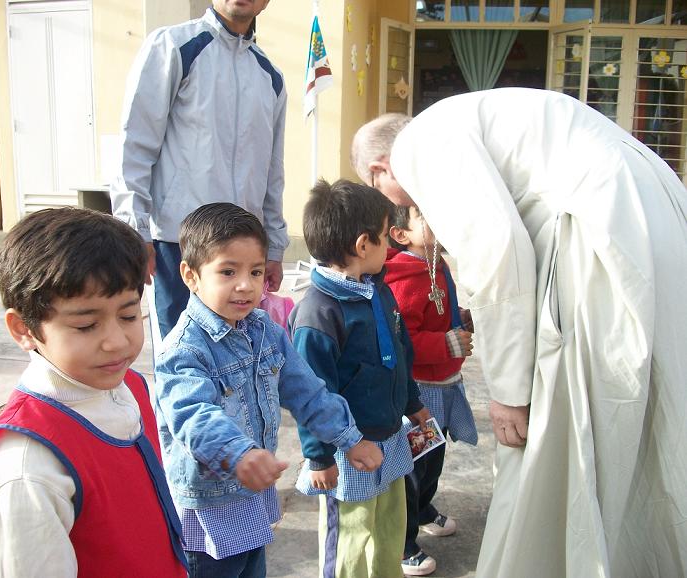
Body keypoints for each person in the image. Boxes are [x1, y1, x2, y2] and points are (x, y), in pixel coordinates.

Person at [351, 87, 687, 577]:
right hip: (653, 207)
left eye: (377, 191)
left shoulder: (417, 145)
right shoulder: (460, 119)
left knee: (568, 421)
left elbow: (498, 249)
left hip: (601, 224)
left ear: (380, 168)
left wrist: (508, 392)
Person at [153, 202, 384, 578]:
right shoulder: (183, 350)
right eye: (228, 271)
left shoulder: (265, 331)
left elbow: (307, 391)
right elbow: (193, 416)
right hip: (210, 505)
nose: (245, 285)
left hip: (252, 490)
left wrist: (350, 438)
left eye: (255, 271)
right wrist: (238, 453)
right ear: (191, 276)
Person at [0, 207, 188, 577]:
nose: (117, 342)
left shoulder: (129, 384)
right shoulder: (26, 468)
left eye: (128, 315)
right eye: (87, 325)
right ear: (24, 328)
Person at [111, 0, 288, 351]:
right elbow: (135, 144)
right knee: (180, 354)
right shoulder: (173, 47)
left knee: (235, 356)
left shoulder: (270, 76)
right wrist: (134, 228)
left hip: (242, 248)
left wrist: (275, 245)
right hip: (178, 243)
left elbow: (272, 168)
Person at [290, 179, 431, 578]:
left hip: (390, 438)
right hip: (346, 451)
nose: (390, 246)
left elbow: (400, 355)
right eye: (386, 237)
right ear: (363, 245)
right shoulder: (319, 314)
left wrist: (412, 403)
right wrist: (319, 457)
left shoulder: (378, 291)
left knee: (389, 529)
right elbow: (310, 394)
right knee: (350, 538)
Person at [385, 204, 479, 576]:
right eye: (424, 215)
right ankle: (403, 542)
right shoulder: (403, 276)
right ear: (401, 234)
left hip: (444, 384)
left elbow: (436, 313)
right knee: (414, 466)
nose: (438, 217)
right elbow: (402, 336)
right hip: (421, 393)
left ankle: (423, 510)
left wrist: (460, 318)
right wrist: (445, 344)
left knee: (433, 460)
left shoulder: (436, 264)